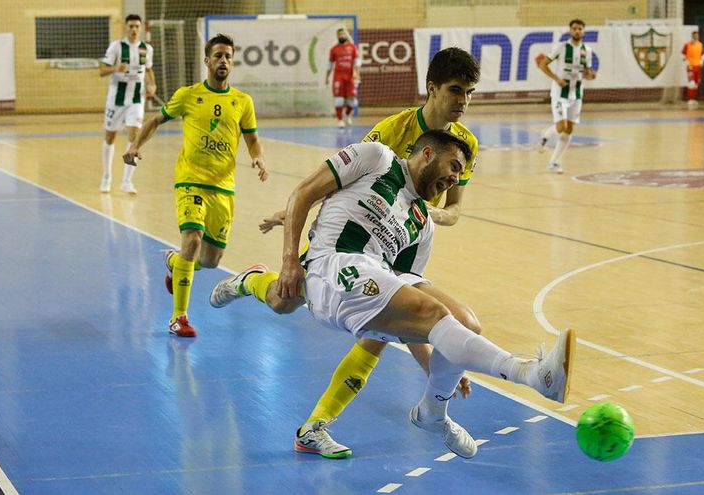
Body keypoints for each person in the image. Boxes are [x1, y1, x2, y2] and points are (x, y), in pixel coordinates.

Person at [211, 130, 576, 460]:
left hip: (369, 280)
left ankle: (433, 412)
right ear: (428, 153)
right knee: (281, 300)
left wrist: (438, 367)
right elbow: (303, 193)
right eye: (453, 166)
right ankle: (531, 374)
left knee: (466, 323)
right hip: (329, 264)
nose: (454, 178)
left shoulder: (423, 224)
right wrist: (290, 259)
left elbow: (410, 310)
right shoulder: (377, 158)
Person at [212, 47, 483, 459]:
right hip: (351, 241)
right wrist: (291, 217)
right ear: (431, 88)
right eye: (456, 91)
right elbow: (339, 179)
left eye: (470, 93)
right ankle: (251, 280)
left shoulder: (466, 145)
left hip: (403, 239)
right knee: (284, 301)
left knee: (378, 333)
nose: (463, 101)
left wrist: (430, 214)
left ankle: (315, 426)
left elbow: (455, 209)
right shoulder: (392, 131)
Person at [123, 33, 269, 337]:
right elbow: (153, 121)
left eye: (228, 56)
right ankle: (179, 317)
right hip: (190, 180)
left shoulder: (242, 101)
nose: (223, 61)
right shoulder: (188, 95)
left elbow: (252, 138)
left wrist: (258, 158)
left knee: (211, 260)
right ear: (207, 60)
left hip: (223, 187)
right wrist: (137, 145)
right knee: (191, 238)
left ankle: (176, 263)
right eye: (218, 56)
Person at [98, 14, 156, 194]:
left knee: (135, 137)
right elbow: (101, 70)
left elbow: (148, 70)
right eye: (131, 26)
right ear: (125, 27)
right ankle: (107, 176)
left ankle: (127, 180)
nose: (134, 29)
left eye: (137, 26)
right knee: (110, 138)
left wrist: (152, 84)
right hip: (116, 100)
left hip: (136, 100)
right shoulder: (116, 47)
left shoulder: (146, 49)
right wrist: (115, 68)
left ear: (141, 29)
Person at [537, 19, 596, 174]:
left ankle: (553, 162)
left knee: (569, 129)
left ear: (583, 31)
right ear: (570, 31)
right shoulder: (561, 47)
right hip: (559, 93)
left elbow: (587, 72)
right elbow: (543, 64)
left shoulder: (587, 50)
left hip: (576, 94)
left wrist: (590, 75)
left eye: (580, 29)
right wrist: (557, 79)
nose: (577, 31)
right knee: (561, 126)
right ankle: (545, 134)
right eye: (574, 28)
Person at [326, 28, 361, 128]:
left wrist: (357, 74)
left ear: (346, 35)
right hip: (338, 77)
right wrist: (327, 77)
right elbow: (329, 65)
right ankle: (340, 120)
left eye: (343, 34)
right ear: (337, 36)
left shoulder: (352, 48)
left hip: (350, 77)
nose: (341, 36)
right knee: (339, 100)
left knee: (353, 101)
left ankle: (347, 115)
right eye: (340, 34)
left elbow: (357, 62)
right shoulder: (334, 49)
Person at [681, 31, 704, 107]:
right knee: (691, 83)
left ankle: (694, 98)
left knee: (697, 83)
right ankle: (690, 99)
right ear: (692, 36)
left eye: (697, 36)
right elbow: (682, 54)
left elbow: (703, 54)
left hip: (698, 66)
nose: (696, 37)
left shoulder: (700, 44)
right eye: (694, 35)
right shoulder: (687, 44)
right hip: (691, 67)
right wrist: (686, 62)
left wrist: (702, 60)